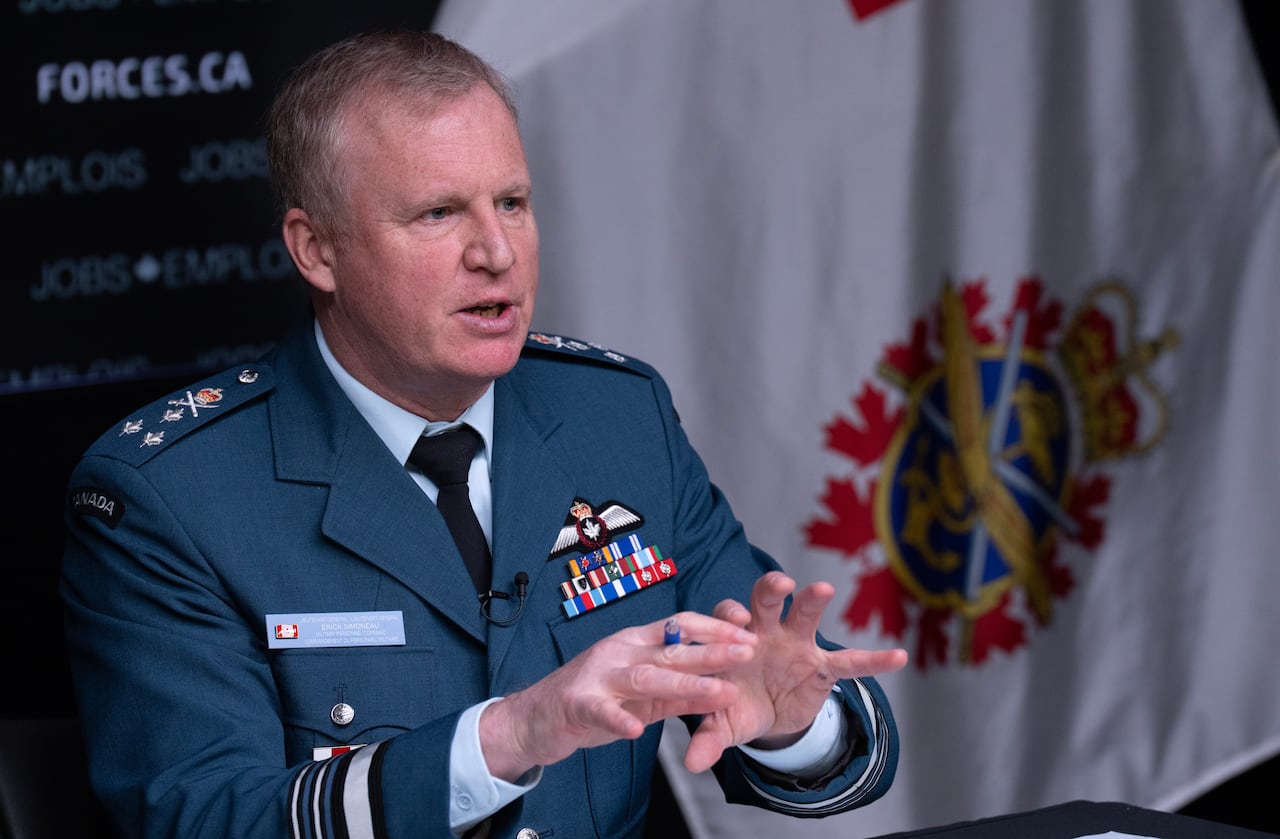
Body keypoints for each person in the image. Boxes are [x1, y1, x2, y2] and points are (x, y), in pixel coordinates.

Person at [61, 30, 908, 839]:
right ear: (316, 250)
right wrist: (513, 734)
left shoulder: (615, 418)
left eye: (512, 201)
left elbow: (808, 719)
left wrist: (798, 723)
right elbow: (206, 821)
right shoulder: (171, 497)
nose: (498, 251)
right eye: (437, 213)